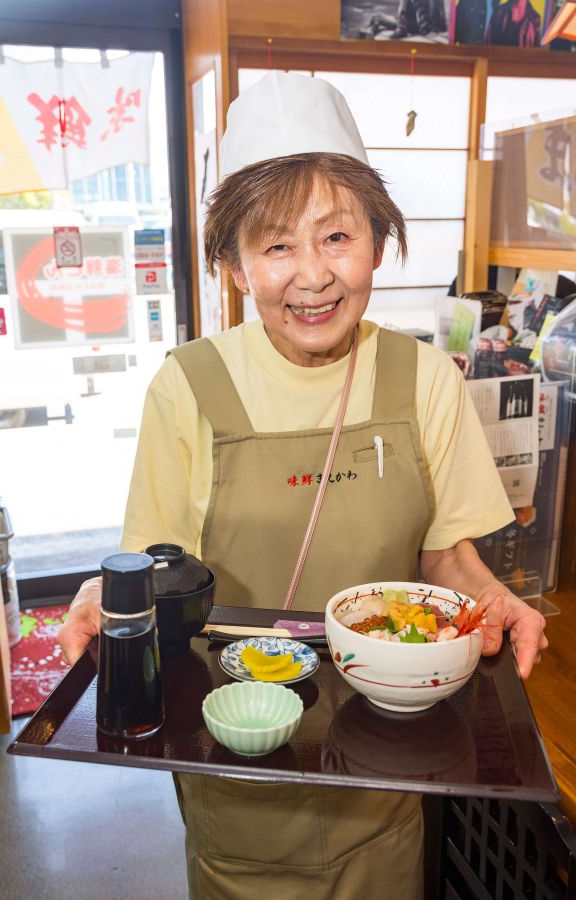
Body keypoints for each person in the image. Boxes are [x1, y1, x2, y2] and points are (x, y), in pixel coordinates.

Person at [59, 71, 548, 900]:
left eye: (337, 236)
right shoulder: (189, 385)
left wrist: (491, 597)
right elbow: (156, 566)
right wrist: (111, 596)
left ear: (378, 240)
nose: (313, 276)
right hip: (237, 753)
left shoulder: (425, 378)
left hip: (388, 760)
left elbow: (445, 561)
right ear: (236, 265)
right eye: (276, 245)